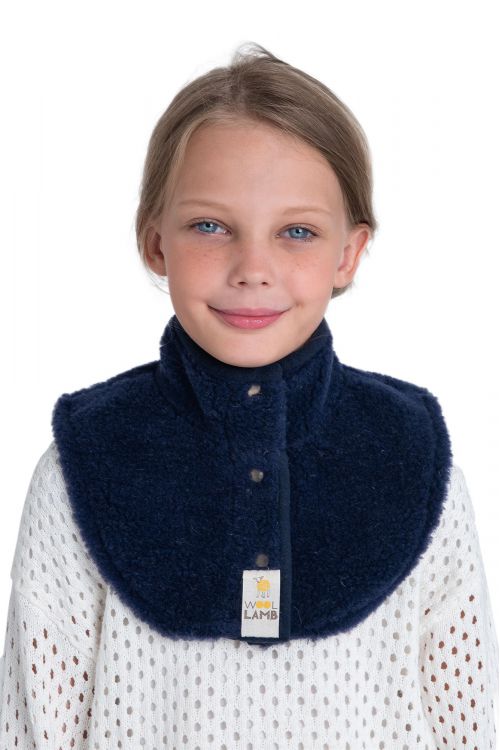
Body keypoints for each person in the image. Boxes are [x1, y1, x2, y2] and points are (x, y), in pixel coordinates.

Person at [0, 41, 498, 749]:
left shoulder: (419, 463)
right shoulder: (80, 469)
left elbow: (470, 727)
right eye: (211, 226)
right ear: (155, 242)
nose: (253, 268)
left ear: (348, 254)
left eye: (297, 232)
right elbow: (31, 729)